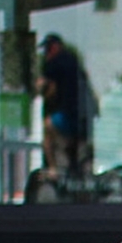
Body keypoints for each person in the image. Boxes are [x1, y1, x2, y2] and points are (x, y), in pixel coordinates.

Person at [36, 33, 97, 183]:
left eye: (48, 49)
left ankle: (53, 168)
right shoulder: (74, 61)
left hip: (66, 113)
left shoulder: (54, 63)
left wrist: (40, 88)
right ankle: (73, 165)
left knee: (47, 128)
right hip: (83, 114)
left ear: (55, 47)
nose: (46, 53)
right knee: (76, 146)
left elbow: (50, 90)